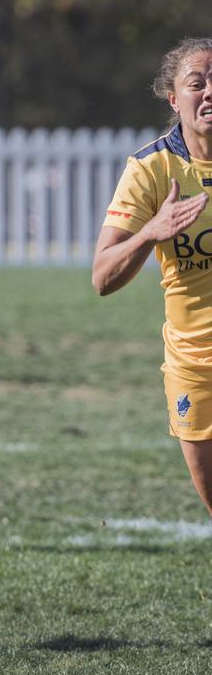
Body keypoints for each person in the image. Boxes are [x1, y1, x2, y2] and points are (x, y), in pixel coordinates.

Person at [93, 37, 212, 518]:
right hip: (192, 365)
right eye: (196, 83)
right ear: (173, 97)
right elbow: (102, 277)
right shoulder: (152, 169)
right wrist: (149, 234)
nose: (208, 93)